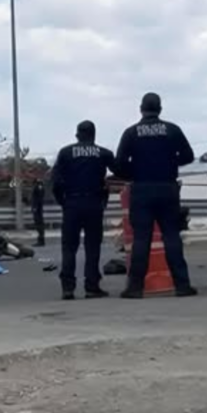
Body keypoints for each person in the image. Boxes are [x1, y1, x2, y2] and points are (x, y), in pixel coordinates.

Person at [114, 92, 198, 299]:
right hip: (167, 187)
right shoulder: (172, 130)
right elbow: (188, 156)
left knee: (141, 239)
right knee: (171, 236)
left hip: (142, 189)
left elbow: (120, 164)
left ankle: (135, 288)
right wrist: (169, 162)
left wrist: (136, 170)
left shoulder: (131, 133)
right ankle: (182, 285)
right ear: (160, 109)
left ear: (141, 109)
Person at [51, 120, 116, 300]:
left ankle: (68, 288)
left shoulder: (65, 153)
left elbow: (55, 181)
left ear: (78, 135)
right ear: (94, 135)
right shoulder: (104, 153)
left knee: (69, 247)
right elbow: (120, 171)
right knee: (93, 246)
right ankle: (92, 287)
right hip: (94, 203)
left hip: (72, 203)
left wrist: (63, 202)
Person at [31, 179, 46, 247]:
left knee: (39, 224)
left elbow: (38, 198)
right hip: (38, 209)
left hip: (38, 209)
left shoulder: (39, 186)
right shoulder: (39, 186)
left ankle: (41, 240)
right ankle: (40, 240)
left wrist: (35, 207)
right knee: (39, 224)